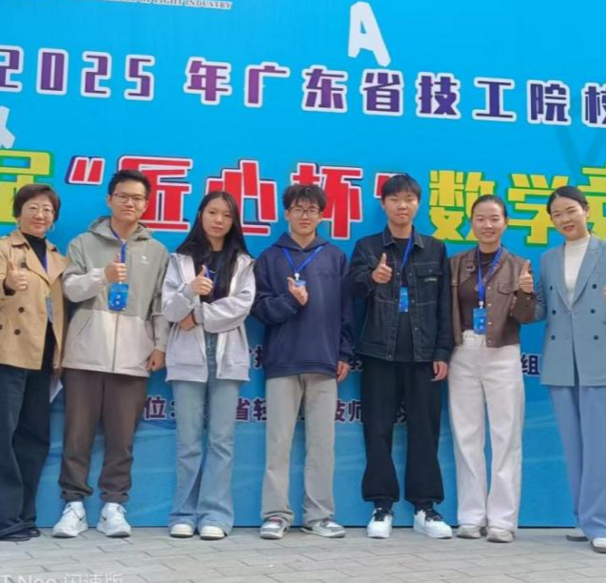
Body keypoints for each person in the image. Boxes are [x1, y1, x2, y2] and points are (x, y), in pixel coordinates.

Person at [52, 170, 169, 539]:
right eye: (123, 196)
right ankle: (73, 505)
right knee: (77, 435)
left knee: (122, 439)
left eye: (137, 198)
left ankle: (113, 507)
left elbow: (159, 304)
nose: (129, 203)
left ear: (146, 205)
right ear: (109, 199)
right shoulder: (83, 243)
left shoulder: (157, 251)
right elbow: (69, 290)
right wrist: (102, 276)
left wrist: (160, 344)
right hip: (85, 354)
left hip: (134, 357)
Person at [533, 185, 606, 555]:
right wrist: (523, 295)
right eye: (557, 214)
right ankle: (584, 518)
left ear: (586, 210)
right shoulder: (548, 259)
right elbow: (540, 309)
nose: (564, 219)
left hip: (603, 358)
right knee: (575, 446)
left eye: (570, 210)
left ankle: (602, 525)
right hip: (562, 360)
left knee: (603, 447)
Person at [347, 173, 452, 540]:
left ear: (418, 204)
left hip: (424, 357)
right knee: (377, 430)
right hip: (379, 354)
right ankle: (381, 505)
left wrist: (442, 352)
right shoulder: (367, 246)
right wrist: (371, 278)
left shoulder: (435, 248)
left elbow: (444, 306)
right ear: (383, 204)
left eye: (408, 199)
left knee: (426, 431)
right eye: (394, 199)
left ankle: (425, 507)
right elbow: (351, 291)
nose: (402, 205)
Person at [253, 184, 352, 540]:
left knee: (322, 445)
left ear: (322, 216)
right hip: (282, 361)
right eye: (298, 209)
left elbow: (346, 311)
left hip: (324, 361)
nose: (305, 215)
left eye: (312, 210)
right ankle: (275, 514)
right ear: (286, 213)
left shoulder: (334, 256)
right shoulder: (269, 257)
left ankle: (319, 516)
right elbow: (259, 308)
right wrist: (290, 301)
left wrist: (344, 353)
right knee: (278, 443)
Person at [0, 184, 67, 541]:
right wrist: (8, 285)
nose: (40, 215)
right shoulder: (1, 247)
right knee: (0, 437)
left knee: (34, 438)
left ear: (54, 218)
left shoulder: (58, 257)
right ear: (18, 213)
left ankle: (24, 515)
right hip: (6, 352)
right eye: (32, 207)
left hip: (43, 355)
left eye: (47, 210)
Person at [162, 191, 255, 541]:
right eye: (213, 212)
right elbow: (170, 311)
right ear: (200, 214)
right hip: (187, 356)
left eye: (226, 215)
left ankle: (216, 514)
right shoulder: (179, 259)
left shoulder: (243, 262)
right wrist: (189, 290)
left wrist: (197, 314)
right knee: (188, 442)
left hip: (228, 356)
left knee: (221, 441)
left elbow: (241, 307)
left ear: (234, 222)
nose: (219, 220)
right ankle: (183, 514)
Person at [447, 194, 536, 543]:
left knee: (506, 435)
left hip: (503, 351)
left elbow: (526, 317)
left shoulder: (519, 265)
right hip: (463, 350)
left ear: (506, 222)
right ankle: (470, 516)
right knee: (466, 435)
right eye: (480, 219)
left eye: (494, 218)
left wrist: (526, 294)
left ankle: (502, 520)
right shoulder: (456, 264)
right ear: (471, 223)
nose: (487, 225)